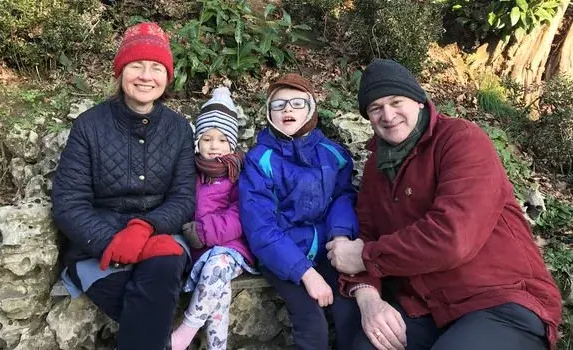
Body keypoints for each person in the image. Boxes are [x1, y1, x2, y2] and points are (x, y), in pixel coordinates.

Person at [326, 59, 563, 350]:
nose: (388, 115)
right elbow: (366, 233)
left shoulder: (461, 140)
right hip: (427, 307)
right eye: (376, 108)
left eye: (396, 101)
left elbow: (453, 237)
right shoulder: (377, 165)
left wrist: (368, 257)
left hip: (499, 299)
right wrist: (369, 298)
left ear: (420, 102)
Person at [51, 22, 196, 350]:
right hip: (97, 243)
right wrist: (110, 241)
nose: (146, 76)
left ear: (167, 76)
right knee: (148, 301)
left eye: (156, 67)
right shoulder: (89, 126)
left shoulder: (179, 130)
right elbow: (69, 202)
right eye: (137, 66)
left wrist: (146, 227)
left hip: (160, 235)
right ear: (121, 72)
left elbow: (184, 197)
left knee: (162, 270)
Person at [239, 73, 362, 349]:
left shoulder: (333, 153)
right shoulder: (260, 159)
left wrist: (341, 236)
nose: (288, 110)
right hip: (282, 256)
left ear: (310, 109)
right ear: (269, 113)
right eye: (278, 105)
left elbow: (342, 196)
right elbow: (261, 227)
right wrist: (305, 273)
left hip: (326, 250)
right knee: (312, 323)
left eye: (297, 103)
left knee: (348, 310)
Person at [169, 87, 257, 350]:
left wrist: (206, 231)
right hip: (198, 249)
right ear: (198, 142)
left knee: (217, 266)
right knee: (219, 290)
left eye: (221, 139)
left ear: (231, 143)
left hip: (232, 247)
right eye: (207, 139)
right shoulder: (190, 171)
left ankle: (185, 330)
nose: (214, 146)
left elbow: (241, 213)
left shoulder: (238, 173)